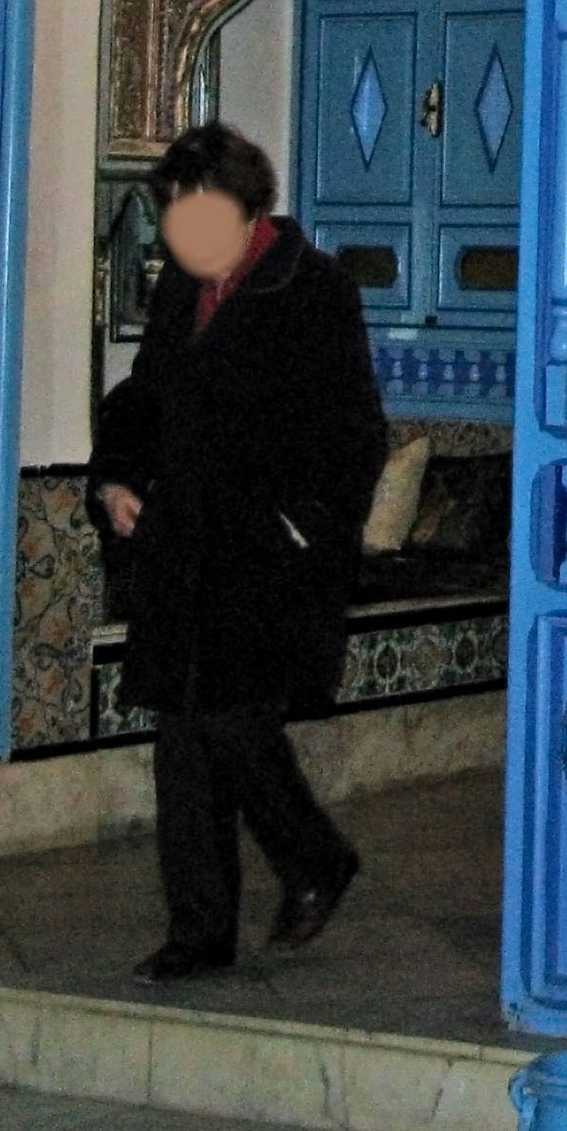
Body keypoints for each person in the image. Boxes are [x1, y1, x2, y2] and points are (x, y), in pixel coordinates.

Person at [89, 122, 389, 981]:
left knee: (232, 723)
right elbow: (144, 400)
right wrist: (115, 478)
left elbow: (354, 432)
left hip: (267, 557)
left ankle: (314, 859)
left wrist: (300, 527)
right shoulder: (182, 291)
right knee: (182, 740)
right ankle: (199, 932)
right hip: (183, 549)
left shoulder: (315, 290)